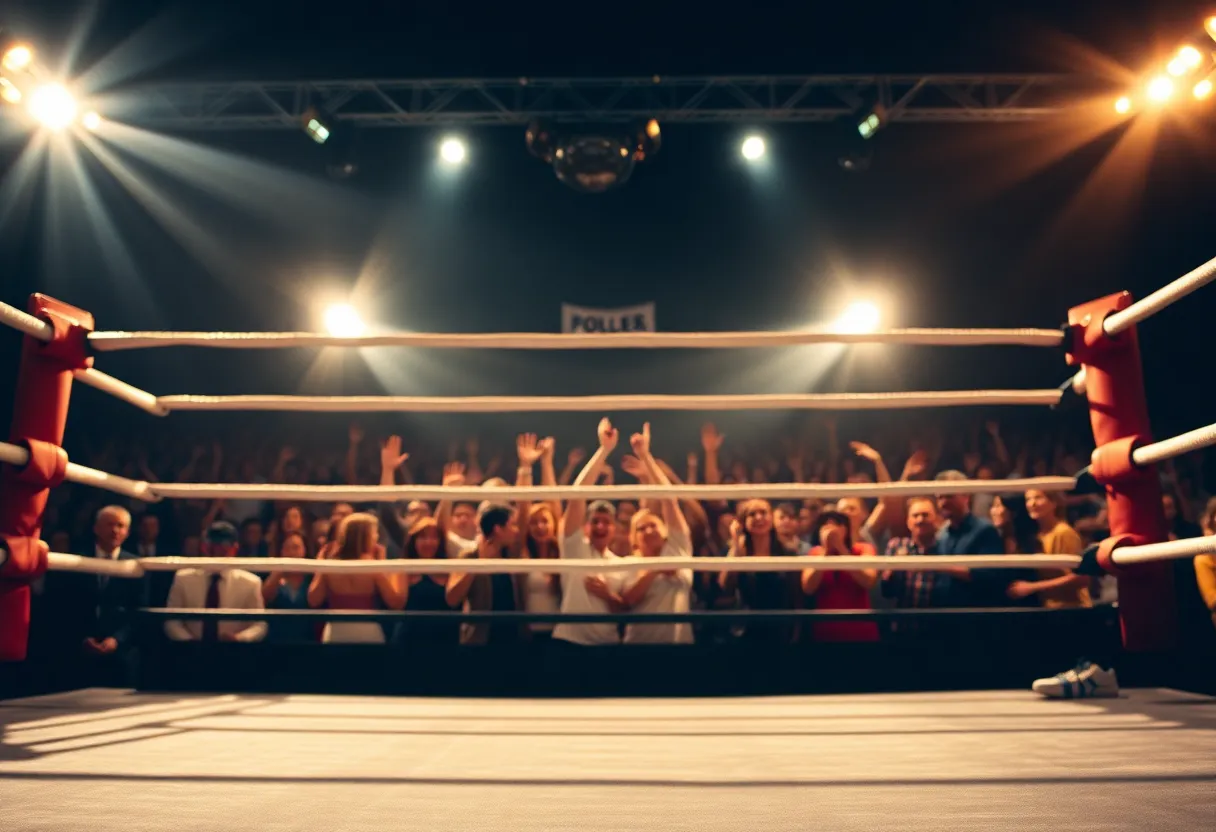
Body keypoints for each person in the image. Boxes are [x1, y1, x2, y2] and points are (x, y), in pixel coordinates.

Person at [617, 424, 695, 645]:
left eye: (653, 525)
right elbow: (627, 602)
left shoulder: (678, 547)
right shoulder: (629, 563)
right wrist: (654, 570)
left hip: (680, 647)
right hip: (638, 648)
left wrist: (645, 456)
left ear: (665, 530)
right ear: (633, 538)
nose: (649, 530)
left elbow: (669, 499)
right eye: (641, 528)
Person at [554, 418, 627, 647]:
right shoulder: (574, 546)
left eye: (606, 522)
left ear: (614, 528)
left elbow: (624, 611)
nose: (600, 526)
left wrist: (608, 595)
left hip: (608, 644)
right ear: (586, 525)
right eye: (595, 521)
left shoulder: (622, 564)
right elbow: (577, 495)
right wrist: (604, 450)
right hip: (569, 641)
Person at [308, 512, 405, 643]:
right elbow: (395, 603)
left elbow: (313, 600)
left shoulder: (331, 566)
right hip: (367, 631)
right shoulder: (372, 567)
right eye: (374, 533)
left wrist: (321, 567)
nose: (376, 537)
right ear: (366, 536)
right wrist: (385, 567)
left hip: (335, 632)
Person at [164, 521, 268, 643]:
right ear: (204, 547)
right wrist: (188, 642)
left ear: (234, 549)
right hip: (189, 652)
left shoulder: (250, 583)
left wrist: (239, 638)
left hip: (233, 652)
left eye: (223, 550)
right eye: (212, 549)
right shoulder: (183, 578)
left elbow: (260, 625)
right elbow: (171, 621)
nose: (217, 554)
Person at [719, 498, 802, 642]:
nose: (758, 517)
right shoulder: (737, 551)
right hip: (745, 631)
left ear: (771, 517)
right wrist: (737, 544)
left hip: (780, 630)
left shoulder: (787, 552)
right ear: (743, 522)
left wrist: (796, 631)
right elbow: (725, 585)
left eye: (763, 513)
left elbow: (796, 595)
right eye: (752, 514)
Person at [445, 504, 525, 645]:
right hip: (480, 639)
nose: (516, 530)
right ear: (498, 529)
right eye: (511, 525)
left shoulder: (509, 554)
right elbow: (452, 598)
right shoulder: (469, 556)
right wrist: (478, 564)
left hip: (511, 637)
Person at [801, 510, 879, 642]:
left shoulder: (863, 549)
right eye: (825, 526)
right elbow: (808, 587)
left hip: (860, 631)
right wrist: (826, 552)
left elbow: (868, 581)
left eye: (835, 525)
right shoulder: (815, 553)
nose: (830, 530)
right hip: (825, 633)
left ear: (845, 529)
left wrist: (841, 548)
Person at [934, 470, 1004, 605]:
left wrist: (939, 566)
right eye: (939, 497)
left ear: (966, 495)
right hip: (944, 616)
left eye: (949, 496)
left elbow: (989, 575)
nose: (943, 503)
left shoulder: (985, 530)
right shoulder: (942, 534)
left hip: (973, 615)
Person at [1010, 490, 1090, 608]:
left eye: (1038, 498)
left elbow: (1081, 578)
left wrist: (1032, 587)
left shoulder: (1063, 532)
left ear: (1054, 502)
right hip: (1048, 607)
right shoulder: (1035, 534)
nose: (1032, 503)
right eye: (1028, 499)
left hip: (1071, 608)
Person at [394, 516, 459, 644]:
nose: (429, 542)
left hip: (445, 639)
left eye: (434, 537)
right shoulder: (403, 568)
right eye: (423, 537)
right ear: (414, 541)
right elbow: (398, 604)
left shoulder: (450, 568)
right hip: (410, 639)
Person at [260, 530, 314, 642]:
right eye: (287, 548)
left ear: (305, 550)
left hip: (307, 642)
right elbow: (264, 598)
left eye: (296, 547)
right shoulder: (275, 578)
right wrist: (279, 570)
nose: (291, 552)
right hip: (276, 642)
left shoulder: (312, 579)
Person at [522, 504, 562, 640]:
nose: (540, 526)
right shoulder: (523, 555)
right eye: (534, 522)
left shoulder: (562, 554)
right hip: (530, 629)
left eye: (545, 521)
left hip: (559, 630)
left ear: (554, 524)